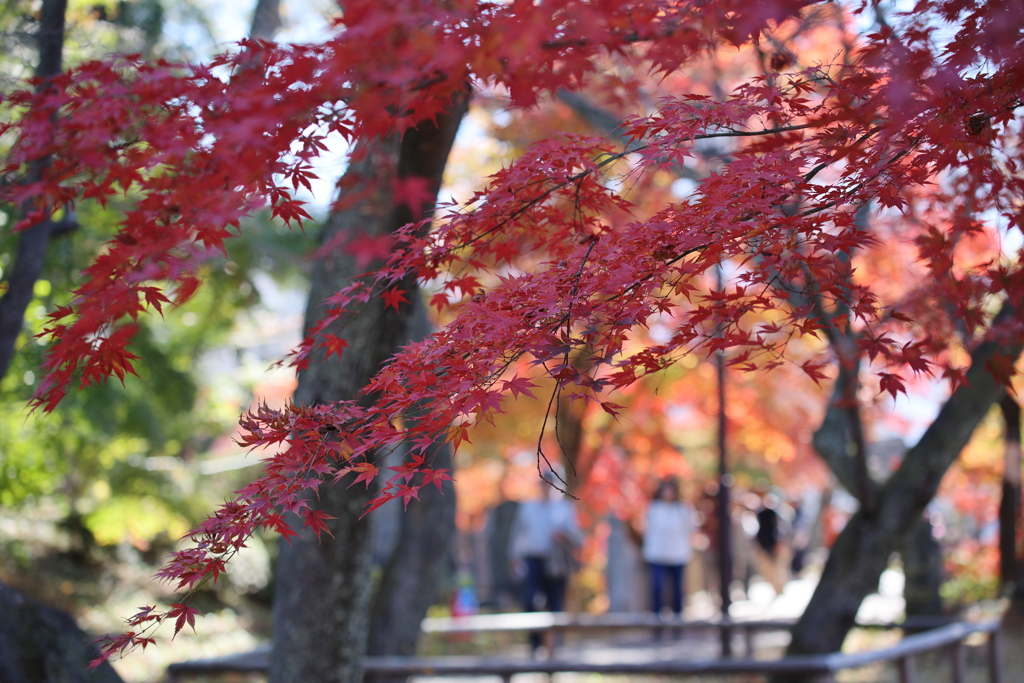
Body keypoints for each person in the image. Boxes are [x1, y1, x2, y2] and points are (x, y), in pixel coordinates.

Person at [509, 470, 582, 651]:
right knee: (530, 601)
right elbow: (518, 534)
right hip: (533, 560)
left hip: (555, 563)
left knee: (556, 603)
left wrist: (564, 536)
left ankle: (555, 645)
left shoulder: (564, 508)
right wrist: (513, 557)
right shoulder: (528, 508)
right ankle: (535, 644)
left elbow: (578, 539)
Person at [642, 477, 696, 615]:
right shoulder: (654, 509)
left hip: (678, 554)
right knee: (657, 588)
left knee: (677, 590)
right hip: (657, 554)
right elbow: (646, 530)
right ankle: (657, 621)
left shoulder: (683, 509)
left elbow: (691, 528)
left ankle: (678, 619)